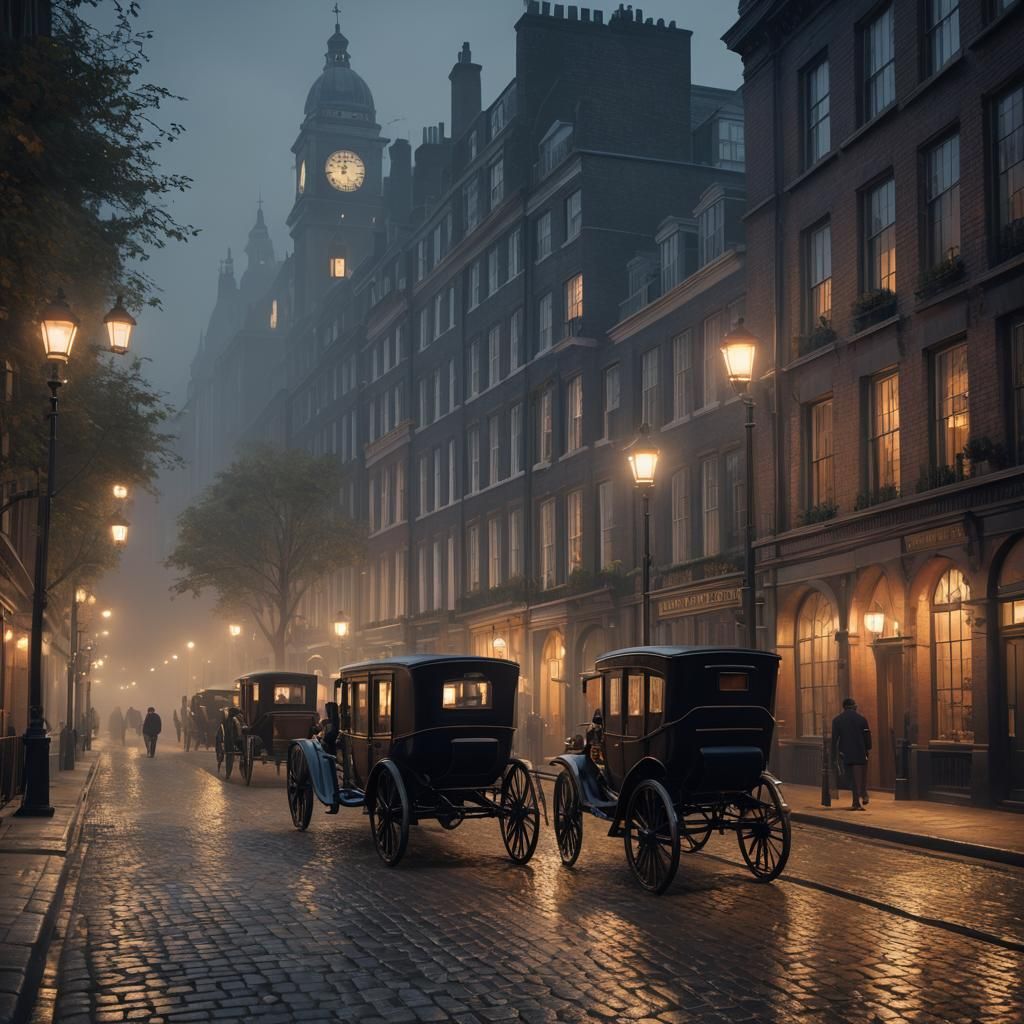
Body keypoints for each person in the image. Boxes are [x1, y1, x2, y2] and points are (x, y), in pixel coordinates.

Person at [832, 697, 872, 810]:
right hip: (860, 752)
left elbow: (834, 739)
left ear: (843, 707)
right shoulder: (862, 719)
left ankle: (857, 800)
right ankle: (860, 797)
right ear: (854, 706)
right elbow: (867, 736)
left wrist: (833, 756)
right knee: (860, 777)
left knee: (851, 778)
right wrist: (868, 749)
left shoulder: (837, 720)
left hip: (845, 753)